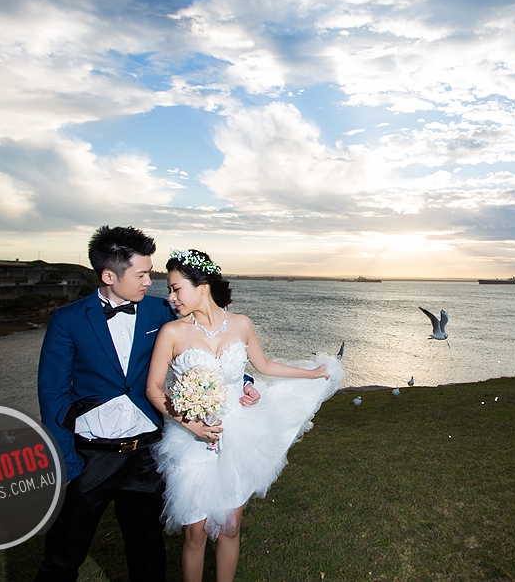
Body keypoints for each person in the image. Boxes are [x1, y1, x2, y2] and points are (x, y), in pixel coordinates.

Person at [36, 227, 261, 582]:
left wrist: (243, 381)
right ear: (109, 276)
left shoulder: (160, 312)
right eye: (141, 274)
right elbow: (53, 395)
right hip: (91, 457)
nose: (148, 282)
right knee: (63, 556)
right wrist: (68, 463)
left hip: (146, 457)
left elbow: (206, 347)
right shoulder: (68, 320)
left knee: (148, 556)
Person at [146, 249, 344, 582]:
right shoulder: (173, 333)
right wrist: (192, 425)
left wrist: (312, 373)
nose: (171, 297)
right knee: (195, 533)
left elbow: (264, 366)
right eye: (169, 290)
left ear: (202, 286)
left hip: (238, 435)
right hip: (190, 440)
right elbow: (153, 388)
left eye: (176, 288)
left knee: (231, 526)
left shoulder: (241, 324)